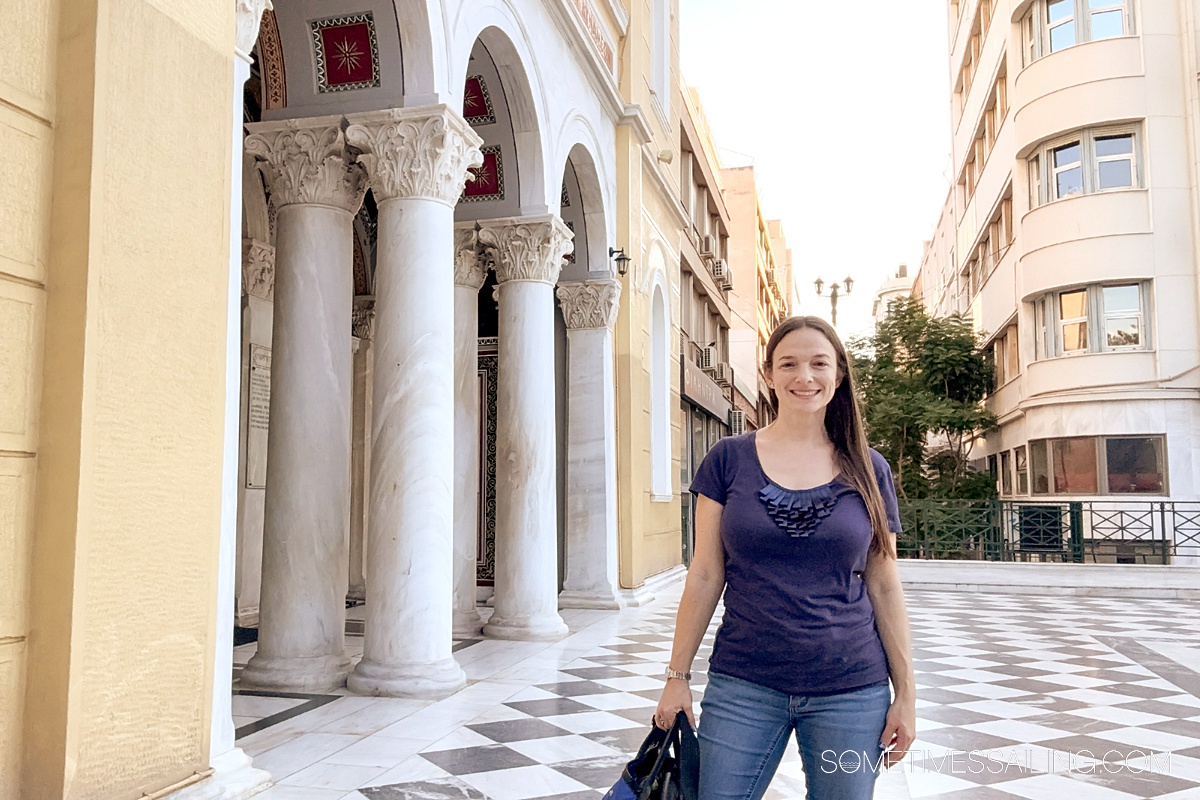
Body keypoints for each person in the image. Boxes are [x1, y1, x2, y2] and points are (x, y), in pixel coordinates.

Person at [655, 316, 915, 800]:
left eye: (819, 364)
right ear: (769, 375)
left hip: (851, 689)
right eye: (789, 364)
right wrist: (677, 677)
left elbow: (883, 582)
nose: (805, 377)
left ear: (838, 375)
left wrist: (907, 696)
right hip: (744, 683)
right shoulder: (727, 459)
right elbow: (706, 574)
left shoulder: (870, 468)